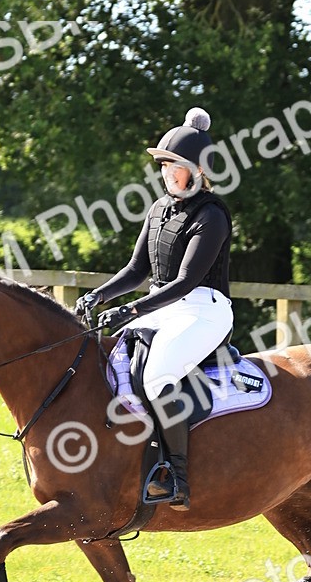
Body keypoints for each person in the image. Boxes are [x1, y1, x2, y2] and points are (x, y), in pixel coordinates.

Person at [78, 107, 233, 510]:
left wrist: (131, 311)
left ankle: (177, 477)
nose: (166, 172)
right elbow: (136, 270)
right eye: (163, 165)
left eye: (174, 165)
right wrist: (100, 295)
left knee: (159, 374)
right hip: (163, 306)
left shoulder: (211, 215)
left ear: (198, 170)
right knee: (112, 364)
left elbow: (186, 281)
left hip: (204, 309)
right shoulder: (158, 209)